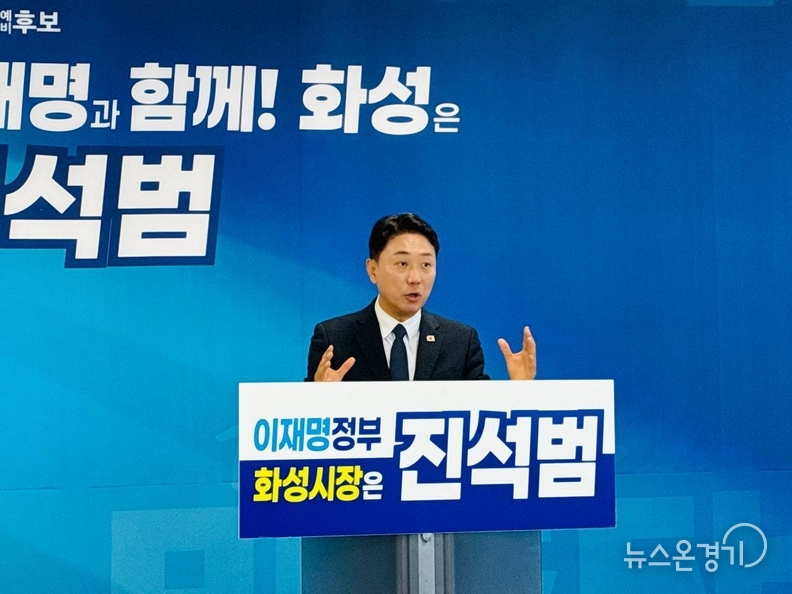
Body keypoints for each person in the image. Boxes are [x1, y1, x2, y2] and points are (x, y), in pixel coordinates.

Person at [306, 213, 536, 382]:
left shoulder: (460, 341)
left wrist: (520, 388)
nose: (415, 278)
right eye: (402, 264)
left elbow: (480, 416)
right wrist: (321, 397)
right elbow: (308, 420)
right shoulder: (334, 338)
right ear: (372, 270)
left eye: (426, 264)